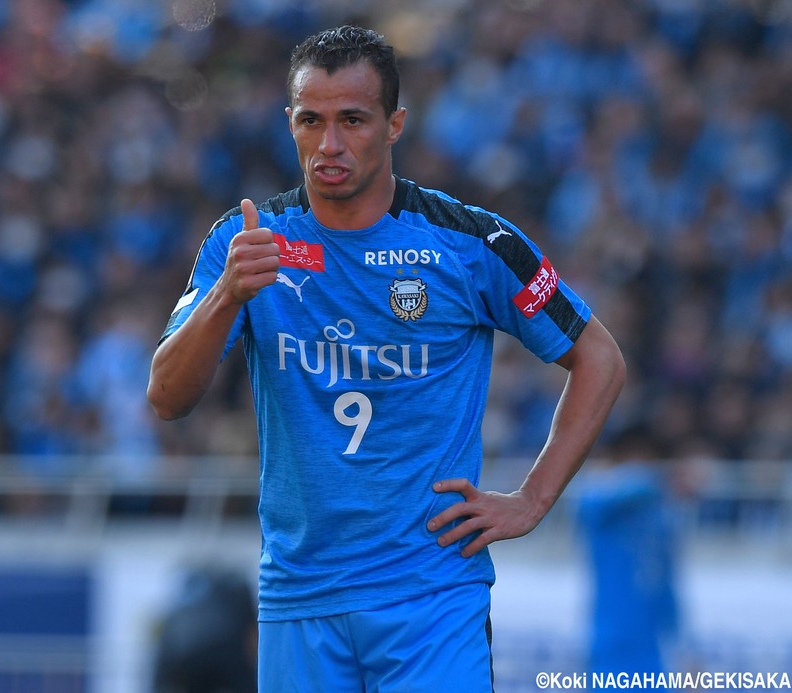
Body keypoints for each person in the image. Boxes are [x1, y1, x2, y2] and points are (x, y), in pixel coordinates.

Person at [147, 25, 626, 692]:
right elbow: (166, 396)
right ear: (290, 123)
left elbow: (599, 357)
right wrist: (227, 294)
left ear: (394, 124)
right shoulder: (247, 241)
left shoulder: (470, 242)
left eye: (352, 120)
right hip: (299, 597)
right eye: (311, 121)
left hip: (431, 596)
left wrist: (532, 499)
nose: (329, 143)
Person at [576, 423, 679, 679]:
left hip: (653, 641)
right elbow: (595, 499)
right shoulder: (601, 503)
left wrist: (681, 644)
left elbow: (667, 581)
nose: (639, 467)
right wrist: (657, 477)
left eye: (647, 458)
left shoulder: (660, 516)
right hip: (611, 635)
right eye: (633, 457)